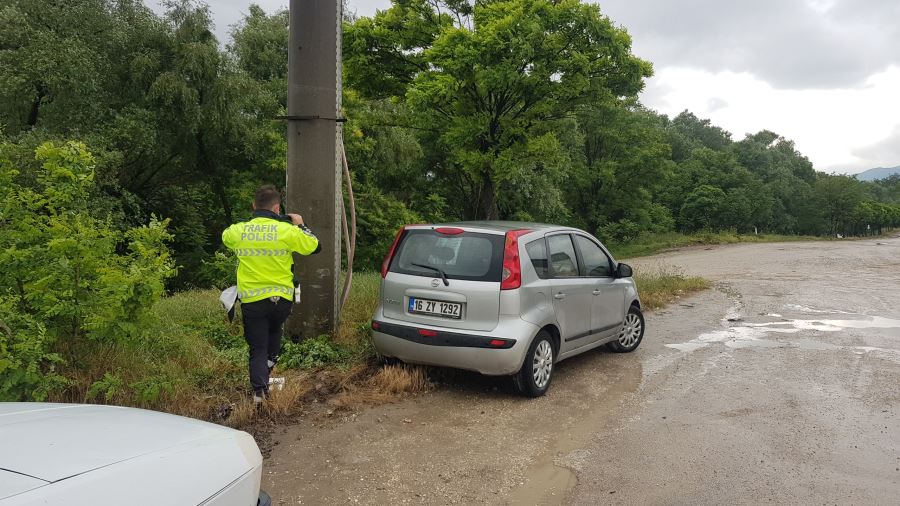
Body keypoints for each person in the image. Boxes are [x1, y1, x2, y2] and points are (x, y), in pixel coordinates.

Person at [222, 185, 320, 402]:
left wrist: (247, 227)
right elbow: (314, 246)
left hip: (253, 301)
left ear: (254, 206)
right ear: (277, 208)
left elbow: (226, 236)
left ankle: (259, 394)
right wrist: (300, 224)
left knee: (257, 348)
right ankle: (266, 374)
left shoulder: (239, 230)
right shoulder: (287, 231)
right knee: (274, 334)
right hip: (281, 301)